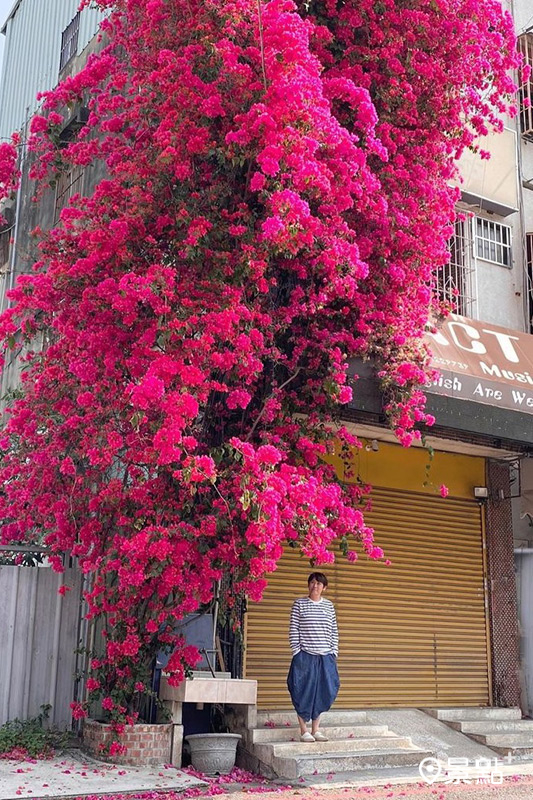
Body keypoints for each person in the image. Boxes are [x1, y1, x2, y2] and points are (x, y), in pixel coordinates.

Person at [287, 571, 340, 742]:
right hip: (305, 656)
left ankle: (316, 729)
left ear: (324, 587)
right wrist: (297, 652)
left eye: (319, 583)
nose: (315, 586)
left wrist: (333, 652)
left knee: (324, 691)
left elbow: (334, 631)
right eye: (312, 582)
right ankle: (304, 731)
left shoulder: (329, 606)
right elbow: (294, 629)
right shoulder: (299, 604)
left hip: (325, 656)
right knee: (301, 691)